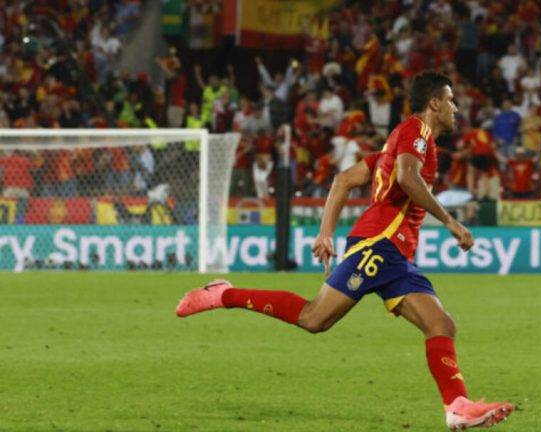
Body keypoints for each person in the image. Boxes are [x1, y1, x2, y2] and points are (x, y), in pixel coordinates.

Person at [175, 72, 514, 430]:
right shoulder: (416, 133)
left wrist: (326, 234)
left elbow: (344, 180)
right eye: (450, 100)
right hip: (379, 245)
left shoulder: (398, 143)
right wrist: (450, 221)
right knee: (314, 318)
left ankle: (457, 407)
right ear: (434, 102)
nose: (455, 108)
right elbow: (406, 178)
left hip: (394, 254)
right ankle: (224, 295)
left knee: (440, 324)